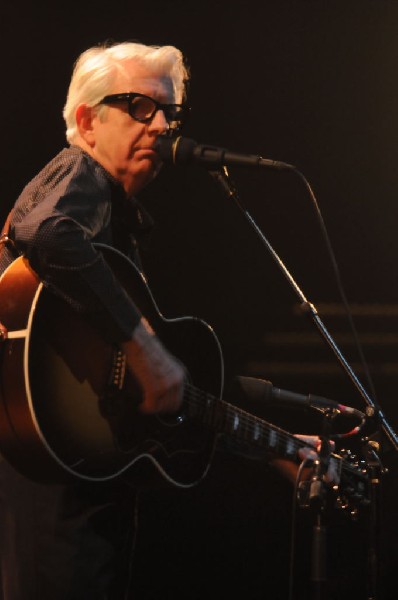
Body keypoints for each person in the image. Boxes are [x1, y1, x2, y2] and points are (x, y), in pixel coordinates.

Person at [0, 40, 335, 600]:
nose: (161, 126)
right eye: (139, 107)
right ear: (86, 120)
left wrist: (277, 447)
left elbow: (166, 400)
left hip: (83, 482)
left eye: (170, 112)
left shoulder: (116, 223)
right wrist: (145, 348)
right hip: (52, 486)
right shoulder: (80, 174)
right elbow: (47, 232)